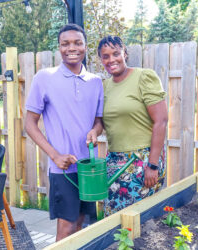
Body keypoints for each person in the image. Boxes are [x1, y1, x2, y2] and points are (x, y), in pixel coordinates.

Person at [25, 24, 104, 241]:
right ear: (59, 48)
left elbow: (99, 121)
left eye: (77, 43)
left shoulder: (96, 82)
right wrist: (55, 156)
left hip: (89, 167)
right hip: (63, 169)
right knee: (67, 227)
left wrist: (95, 131)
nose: (72, 47)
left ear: (85, 47)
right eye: (65, 43)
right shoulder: (44, 78)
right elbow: (29, 124)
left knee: (82, 223)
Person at [97, 35, 168, 216]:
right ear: (101, 60)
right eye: (105, 56)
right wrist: (93, 131)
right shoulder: (104, 86)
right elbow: (103, 123)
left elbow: (161, 121)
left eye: (116, 53)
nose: (111, 59)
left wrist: (152, 165)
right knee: (114, 220)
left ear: (125, 54)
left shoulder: (143, 77)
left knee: (143, 221)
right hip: (113, 162)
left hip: (142, 161)